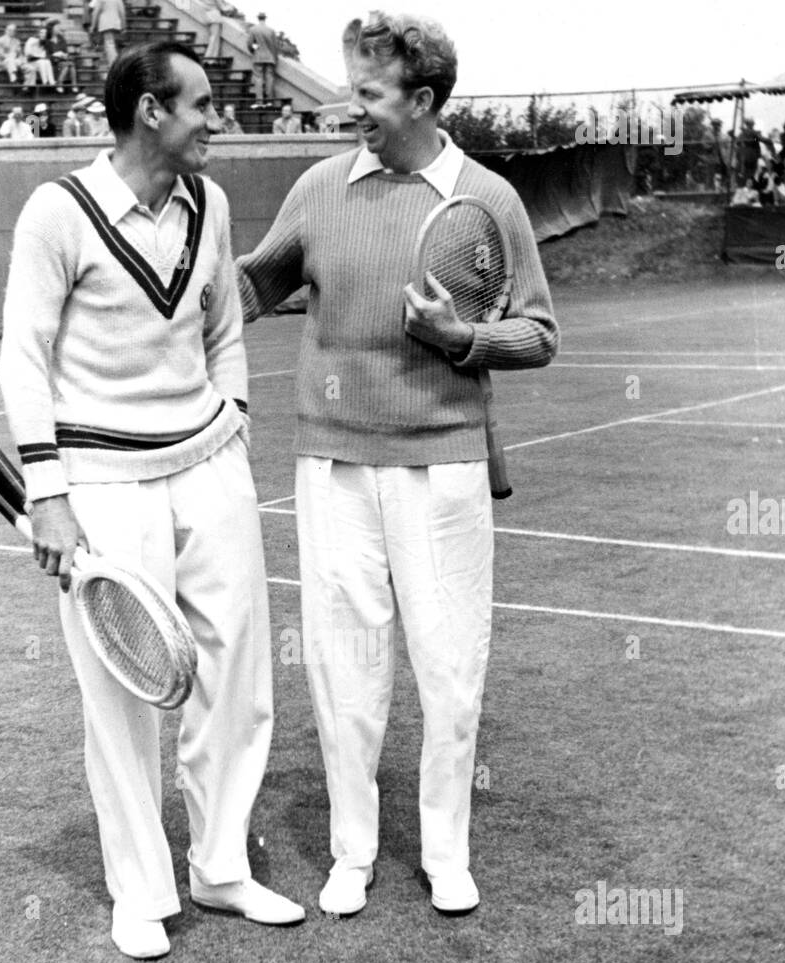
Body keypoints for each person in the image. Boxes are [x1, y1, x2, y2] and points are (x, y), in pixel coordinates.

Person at [236, 11, 558, 917]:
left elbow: (538, 332)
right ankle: (352, 853)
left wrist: (466, 337)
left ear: (421, 99)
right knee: (345, 668)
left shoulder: (488, 198)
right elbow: (256, 284)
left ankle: (445, 854)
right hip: (332, 464)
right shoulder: (320, 187)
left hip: (444, 466)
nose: (351, 107)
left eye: (369, 94)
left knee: (450, 667)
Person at [0, 39, 304, 960]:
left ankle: (219, 867)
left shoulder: (207, 203)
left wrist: (235, 416)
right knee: (121, 689)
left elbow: (224, 326)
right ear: (150, 114)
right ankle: (141, 892)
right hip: (101, 481)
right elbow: (23, 357)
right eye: (204, 103)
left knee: (237, 667)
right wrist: (48, 494)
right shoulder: (57, 212)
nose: (220, 118)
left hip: (209, 466)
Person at [247, 11, 279, 106]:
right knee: (270, 78)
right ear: (265, 18)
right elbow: (274, 46)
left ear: (258, 18)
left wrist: (253, 51)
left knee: (258, 78)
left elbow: (249, 44)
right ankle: (269, 101)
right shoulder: (271, 30)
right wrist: (275, 59)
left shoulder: (253, 29)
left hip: (258, 57)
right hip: (270, 58)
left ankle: (259, 101)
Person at [89, 0, 127, 76]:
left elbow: (96, 12)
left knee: (109, 45)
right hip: (116, 23)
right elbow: (122, 12)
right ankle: (113, 65)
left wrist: (93, 26)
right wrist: (123, 26)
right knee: (111, 45)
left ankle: (114, 66)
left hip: (106, 23)